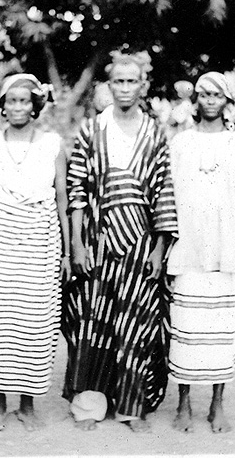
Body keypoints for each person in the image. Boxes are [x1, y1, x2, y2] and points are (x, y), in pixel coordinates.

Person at [63, 52, 178, 433]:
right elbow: (77, 189)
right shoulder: (92, 130)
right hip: (98, 240)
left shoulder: (155, 133)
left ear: (143, 86)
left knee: (136, 322)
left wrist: (160, 250)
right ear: (109, 86)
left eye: (132, 82)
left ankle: (131, 406)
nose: (125, 88)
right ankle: (89, 405)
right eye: (118, 82)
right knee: (92, 320)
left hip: (141, 243)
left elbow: (164, 194)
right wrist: (78, 245)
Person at [0, 73, 70, 431]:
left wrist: (67, 252)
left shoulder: (52, 144)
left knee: (35, 324)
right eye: (11, 101)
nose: (18, 107)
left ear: (35, 105)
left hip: (40, 245)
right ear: (2, 106)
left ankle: (27, 403)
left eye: (25, 101)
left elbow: (63, 200)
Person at [167, 72, 235, 433]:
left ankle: (217, 404)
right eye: (203, 94)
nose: (209, 100)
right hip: (189, 248)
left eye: (216, 95)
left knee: (221, 330)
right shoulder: (180, 143)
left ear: (227, 101)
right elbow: (168, 196)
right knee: (187, 328)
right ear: (196, 99)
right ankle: (183, 405)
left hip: (225, 250)